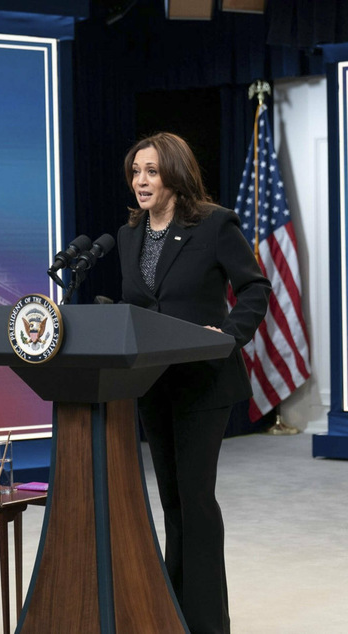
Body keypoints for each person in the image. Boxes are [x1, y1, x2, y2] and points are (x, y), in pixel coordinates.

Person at [117, 132, 271, 634]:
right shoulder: (128, 235)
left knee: (196, 501)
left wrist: (228, 336)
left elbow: (254, 287)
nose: (141, 180)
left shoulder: (213, 224)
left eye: (151, 171)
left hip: (203, 383)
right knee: (171, 503)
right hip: (153, 385)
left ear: (175, 175)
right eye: (136, 171)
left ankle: (207, 622)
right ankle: (172, 611)